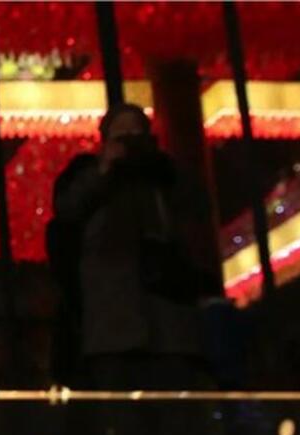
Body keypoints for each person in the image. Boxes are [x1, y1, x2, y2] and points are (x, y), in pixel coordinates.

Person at [51, 104, 217, 390]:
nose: (129, 142)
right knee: (120, 405)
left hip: (169, 321)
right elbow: (68, 211)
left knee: (173, 404)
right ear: (104, 142)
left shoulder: (164, 175)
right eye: (120, 136)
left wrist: (159, 166)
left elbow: (198, 208)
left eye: (135, 134)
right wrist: (105, 170)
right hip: (111, 324)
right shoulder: (89, 175)